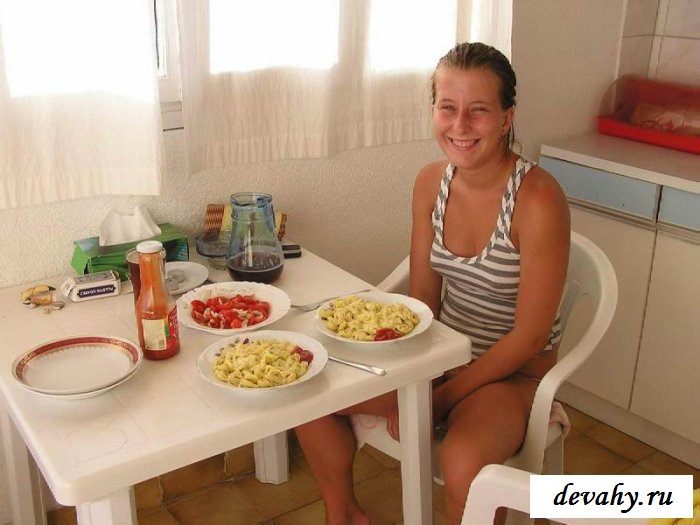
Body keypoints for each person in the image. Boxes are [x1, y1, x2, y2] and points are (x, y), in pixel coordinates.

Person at [295, 41, 570, 525]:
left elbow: (529, 337)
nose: (460, 125)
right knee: (310, 389)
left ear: (506, 118)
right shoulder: (430, 183)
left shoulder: (538, 198)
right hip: (442, 356)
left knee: (464, 464)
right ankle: (344, 515)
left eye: (478, 110)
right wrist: (413, 376)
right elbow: (423, 300)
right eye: (447, 107)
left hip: (511, 375)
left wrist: (439, 397)